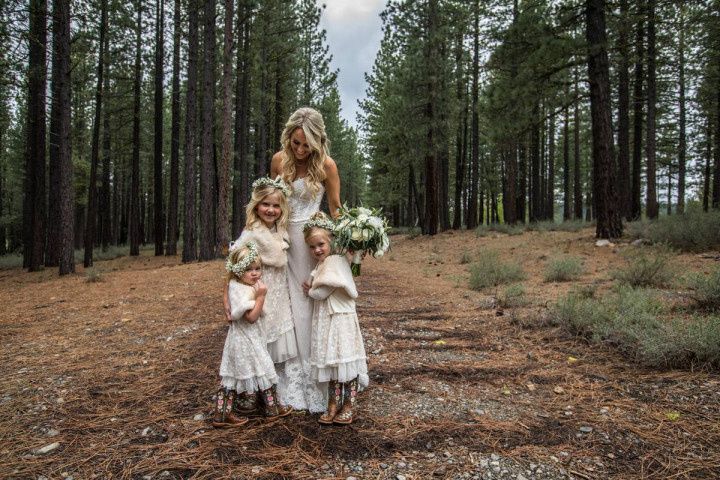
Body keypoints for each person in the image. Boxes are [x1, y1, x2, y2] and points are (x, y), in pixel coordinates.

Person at [270, 107, 342, 413]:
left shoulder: (327, 165)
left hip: (312, 241)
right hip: (284, 242)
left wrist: (350, 241)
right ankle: (291, 376)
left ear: (317, 141)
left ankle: (321, 375)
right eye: (296, 142)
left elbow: (336, 209)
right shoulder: (278, 161)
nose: (300, 150)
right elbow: (270, 203)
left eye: (306, 145)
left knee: (313, 303)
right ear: (290, 137)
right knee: (289, 307)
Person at [224, 177, 298, 416]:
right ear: (256, 205)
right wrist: (226, 301)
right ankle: (251, 394)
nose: (271, 210)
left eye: (276, 206)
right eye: (266, 204)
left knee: (273, 340)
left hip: (276, 293)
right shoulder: (251, 234)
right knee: (257, 343)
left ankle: (268, 391)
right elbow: (231, 270)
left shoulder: (278, 231)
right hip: (258, 295)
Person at [213, 242, 292, 427]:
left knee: (255, 370)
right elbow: (251, 317)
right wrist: (261, 297)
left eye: (257, 268)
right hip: (244, 340)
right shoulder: (242, 291)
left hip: (248, 338)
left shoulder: (236, 284)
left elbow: (227, 284)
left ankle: (270, 408)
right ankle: (226, 413)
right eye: (249, 269)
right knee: (249, 373)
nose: (255, 273)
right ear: (238, 271)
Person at [303, 213, 369, 425]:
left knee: (344, 359)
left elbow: (322, 292)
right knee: (331, 361)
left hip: (340, 318)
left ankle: (348, 405)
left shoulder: (336, 262)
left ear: (331, 240)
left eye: (321, 244)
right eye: (312, 247)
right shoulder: (323, 263)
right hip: (327, 318)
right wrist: (313, 283)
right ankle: (332, 403)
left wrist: (310, 290)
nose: (317, 250)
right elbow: (316, 281)